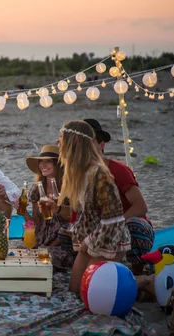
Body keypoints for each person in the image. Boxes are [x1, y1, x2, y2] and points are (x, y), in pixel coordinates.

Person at [55, 120, 131, 294]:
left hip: (109, 238)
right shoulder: (77, 172)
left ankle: (145, 283)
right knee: (74, 290)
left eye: (61, 137)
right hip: (90, 238)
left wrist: (87, 243)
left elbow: (114, 220)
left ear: (73, 142)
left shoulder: (99, 174)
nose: (58, 141)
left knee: (87, 291)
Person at [83, 118, 155, 277]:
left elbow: (141, 206)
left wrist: (113, 223)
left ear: (101, 145)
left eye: (91, 140)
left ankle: (138, 271)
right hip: (100, 228)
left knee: (134, 225)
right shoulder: (79, 174)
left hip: (127, 225)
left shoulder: (118, 170)